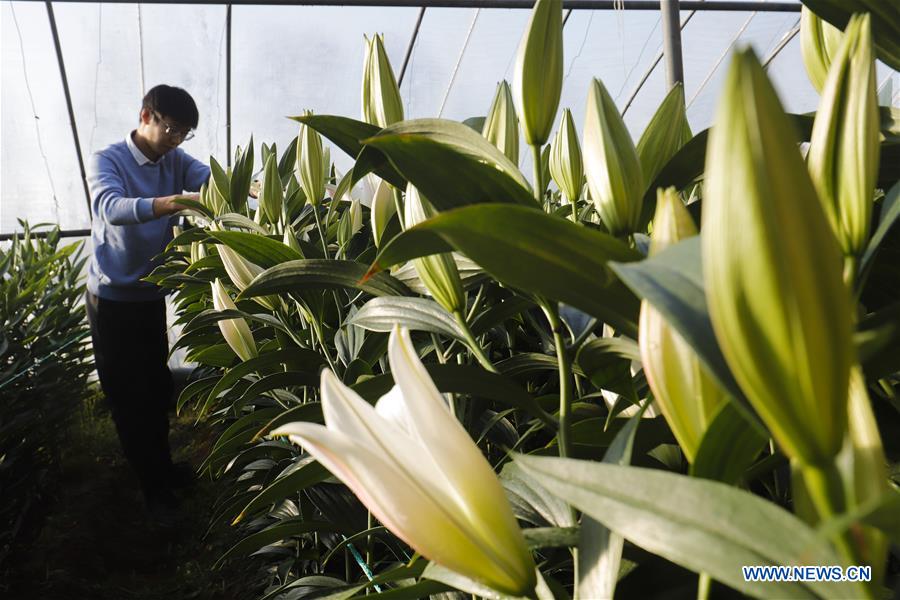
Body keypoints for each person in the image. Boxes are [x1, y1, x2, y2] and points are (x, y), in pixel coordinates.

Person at [84, 84, 209, 523]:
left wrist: (252, 188)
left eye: (184, 133)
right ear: (146, 116)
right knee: (128, 395)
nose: (176, 140)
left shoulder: (175, 160)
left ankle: (165, 469)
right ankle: (152, 490)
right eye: (171, 128)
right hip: (112, 300)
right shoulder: (108, 160)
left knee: (156, 388)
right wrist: (173, 203)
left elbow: (211, 180)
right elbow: (110, 208)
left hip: (149, 294)